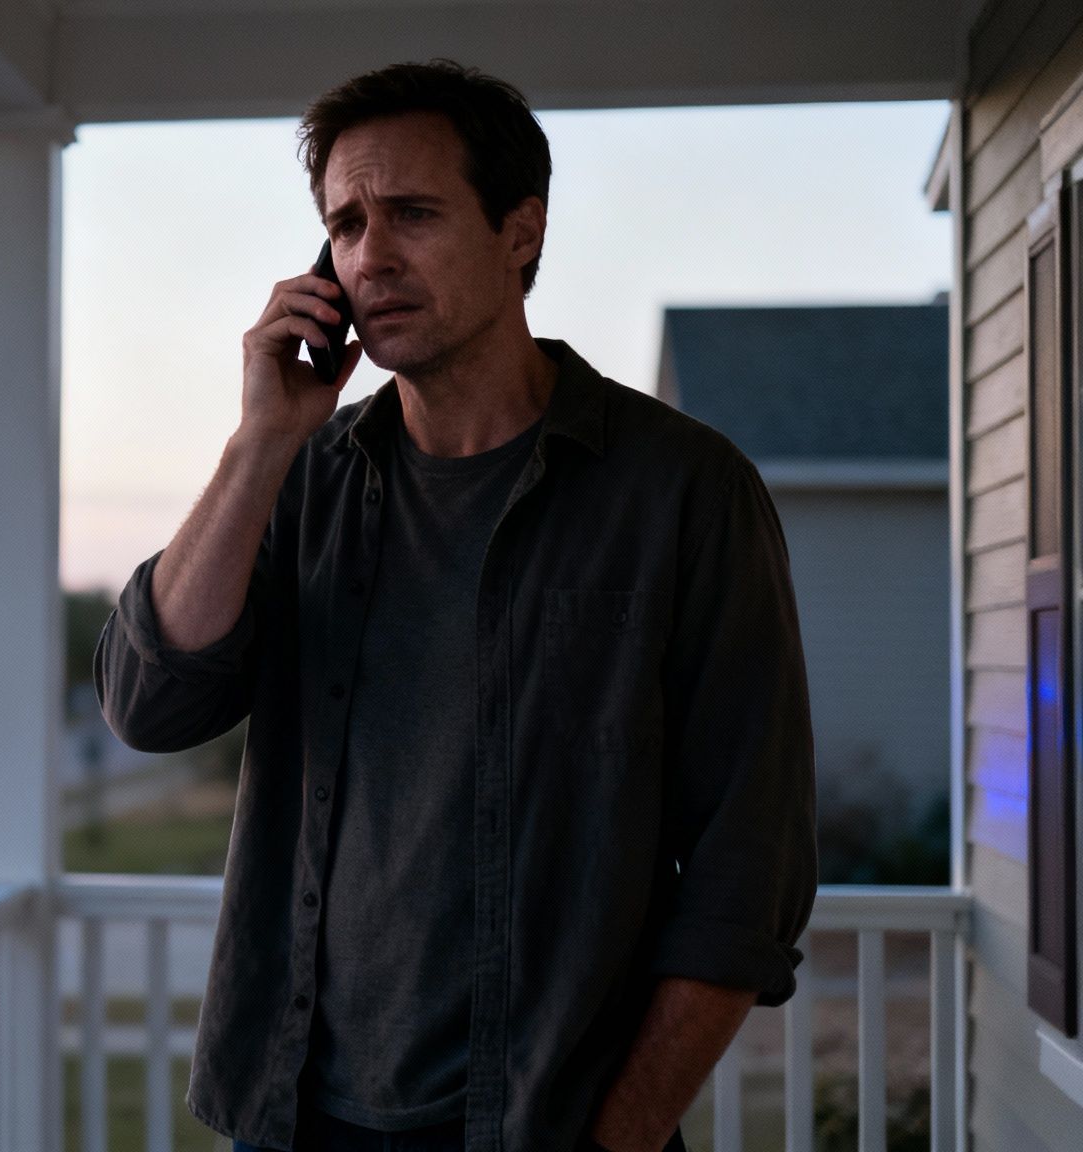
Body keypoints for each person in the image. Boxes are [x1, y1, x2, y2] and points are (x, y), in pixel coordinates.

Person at [93, 59, 817, 1152]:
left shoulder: (679, 490)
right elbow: (148, 704)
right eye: (343, 224)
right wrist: (259, 444)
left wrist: (619, 1134)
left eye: (412, 214)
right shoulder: (300, 478)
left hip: (545, 1124)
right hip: (291, 1115)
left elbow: (746, 865)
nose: (368, 255)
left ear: (519, 232)